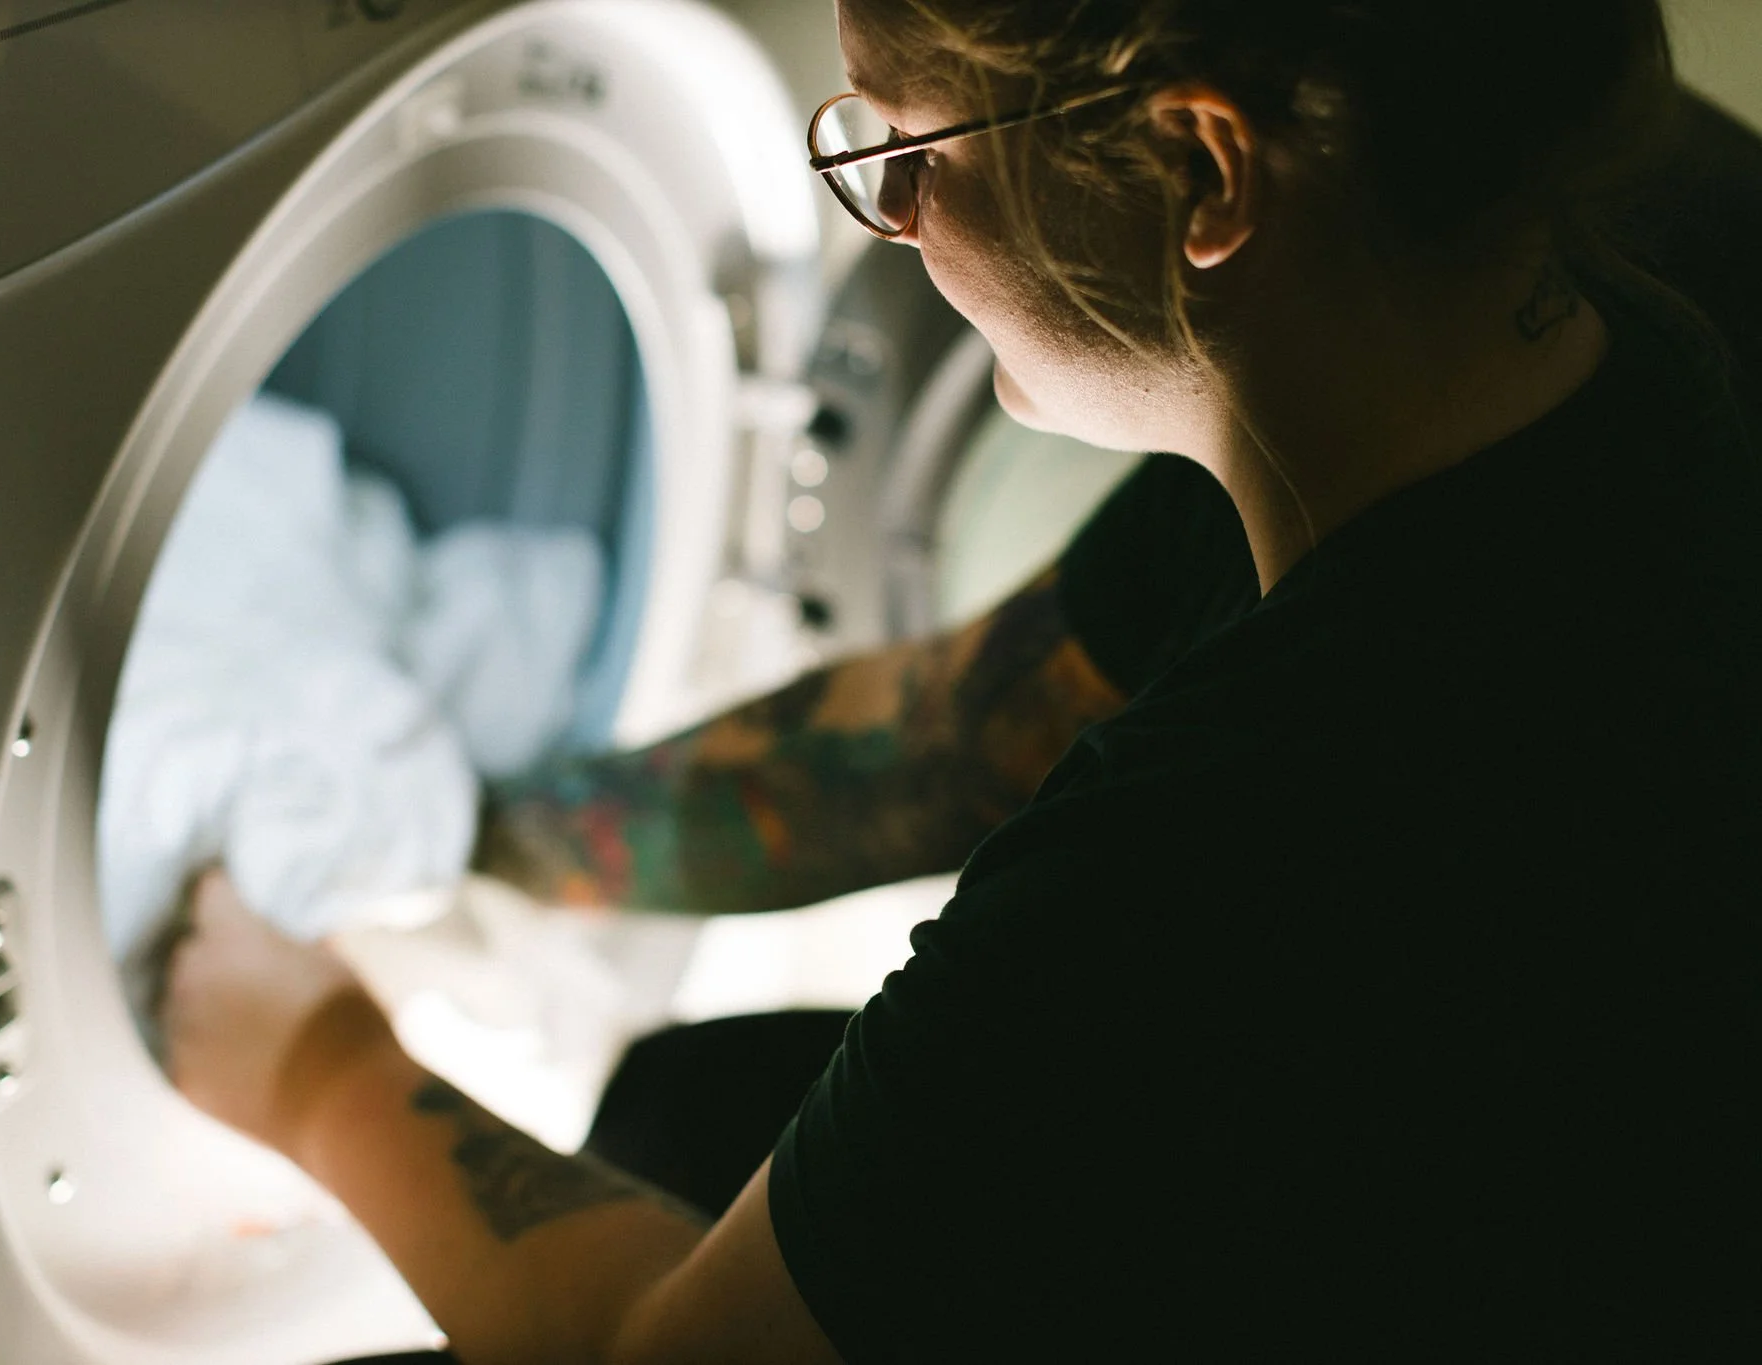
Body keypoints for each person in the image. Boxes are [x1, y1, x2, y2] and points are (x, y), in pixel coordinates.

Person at [162, 1, 1762, 1358]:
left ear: (1201, 167)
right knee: (699, 1098)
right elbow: (945, 738)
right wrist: (476, 827)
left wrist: (316, 1069)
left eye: (908, 151)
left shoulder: (1241, 852)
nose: (898, 217)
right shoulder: (1567, 266)